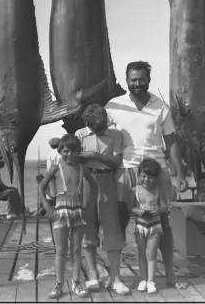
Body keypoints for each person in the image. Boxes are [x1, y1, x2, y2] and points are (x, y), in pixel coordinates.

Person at [105, 60, 189, 290]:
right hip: (126, 167)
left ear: (148, 80)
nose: (138, 84)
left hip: (157, 169)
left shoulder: (161, 106)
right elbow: (102, 134)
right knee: (120, 220)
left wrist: (179, 173)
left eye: (142, 79)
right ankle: (116, 275)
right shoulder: (114, 105)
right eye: (133, 80)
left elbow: (170, 141)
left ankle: (170, 274)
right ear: (127, 81)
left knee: (162, 223)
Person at [75, 104, 129, 295]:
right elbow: (73, 159)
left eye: (102, 126)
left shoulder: (115, 135)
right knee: (88, 229)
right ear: (88, 124)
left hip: (107, 181)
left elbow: (116, 161)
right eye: (95, 128)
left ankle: (116, 278)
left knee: (112, 228)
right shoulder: (80, 134)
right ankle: (93, 275)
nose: (100, 131)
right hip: (86, 182)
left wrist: (95, 156)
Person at [38, 134, 97, 300]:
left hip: (78, 211)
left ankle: (77, 282)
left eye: (73, 151)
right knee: (61, 250)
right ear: (60, 151)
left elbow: (94, 186)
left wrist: (90, 207)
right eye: (65, 151)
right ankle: (59, 284)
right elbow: (41, 187)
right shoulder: (56, 168)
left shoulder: (82, 168)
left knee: (77, 250)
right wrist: (48, 207)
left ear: (78, 152)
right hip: (61, 212)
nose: (69, 154)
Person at [130, 159, 166, 294]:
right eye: (143, 176)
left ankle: (151, 281)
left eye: (150, 177)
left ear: (156, 178)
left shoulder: (158, 190)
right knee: (141, 254)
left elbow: (165, 207)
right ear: (138, 176)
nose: (146, 179)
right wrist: (138, 211)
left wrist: (159, 210)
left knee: (151, 254)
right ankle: (143, 279)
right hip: (140, 225)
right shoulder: (135, 190)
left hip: (155, 226)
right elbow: (131, 207)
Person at [36, 137, 60, 216]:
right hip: (60, 175)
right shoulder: (60, 153)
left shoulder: (50, 155)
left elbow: (49, 168)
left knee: (54, 194)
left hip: (52, 176)